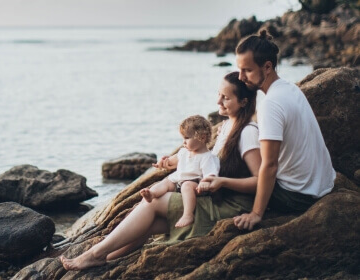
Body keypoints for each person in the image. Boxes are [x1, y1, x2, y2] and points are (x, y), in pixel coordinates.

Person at [60, 71, 261, 270]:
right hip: (214, 196)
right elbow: (204, 158)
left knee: (153, 203)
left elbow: (260, 182)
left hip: (230, 205)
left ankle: (94, 254)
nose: (218, 101)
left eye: (225, 98)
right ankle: (108, 257)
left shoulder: (247, 133)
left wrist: (223, 182)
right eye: (219, 94)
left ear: (243, 102)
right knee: (151, 222)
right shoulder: (226, 125)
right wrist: (174, 163)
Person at [233, 30, 336, 231]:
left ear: (267, 67)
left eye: (247, 70)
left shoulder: (270, 104)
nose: (240, 77)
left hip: (298, 196)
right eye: (239, 69)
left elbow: (270, 166)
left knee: (234, 176)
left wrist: (256, 214)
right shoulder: (289, 88)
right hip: (323, 185)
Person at [140, 115, 220, 228]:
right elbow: (172, 161)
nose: (184, 142)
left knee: (187, 185)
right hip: (178, 182)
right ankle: (152, 194)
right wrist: (163, 163)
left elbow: (211, 174)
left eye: (187, 138)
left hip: (196, 186)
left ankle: (188, 214)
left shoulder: (207, 157)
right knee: (166, 182)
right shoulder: (184, 152)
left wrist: (205, 183)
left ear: (202, 137)